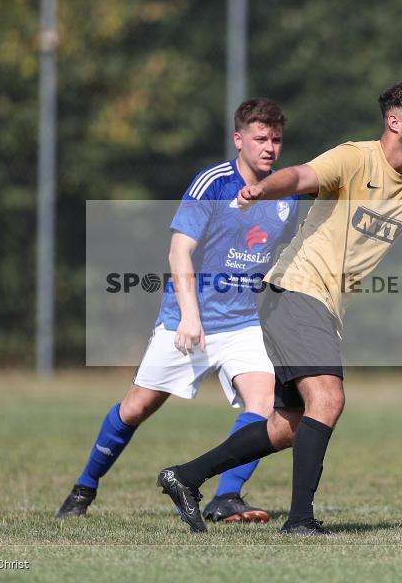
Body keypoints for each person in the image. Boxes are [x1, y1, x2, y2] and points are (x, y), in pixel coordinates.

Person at [156, 81, 402, 535]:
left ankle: (185, 477)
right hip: (293, 290)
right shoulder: (353, 158)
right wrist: (264, 188)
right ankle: (301, 522)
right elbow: (301, 177)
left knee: (288, 425)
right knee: (328, 397)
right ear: (394, 121)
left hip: (322, 305)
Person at [58, 99, 298, 525]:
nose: (269, 147)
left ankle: (226, 498)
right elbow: (179, 250)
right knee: (136, 408)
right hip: (188, 320)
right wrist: (190, 315)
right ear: (238, 139)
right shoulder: (213, 183)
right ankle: (83, 488)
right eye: (260, 139)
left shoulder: (285, 194)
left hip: (242, 322)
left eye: (276, 139)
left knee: (265, 406)